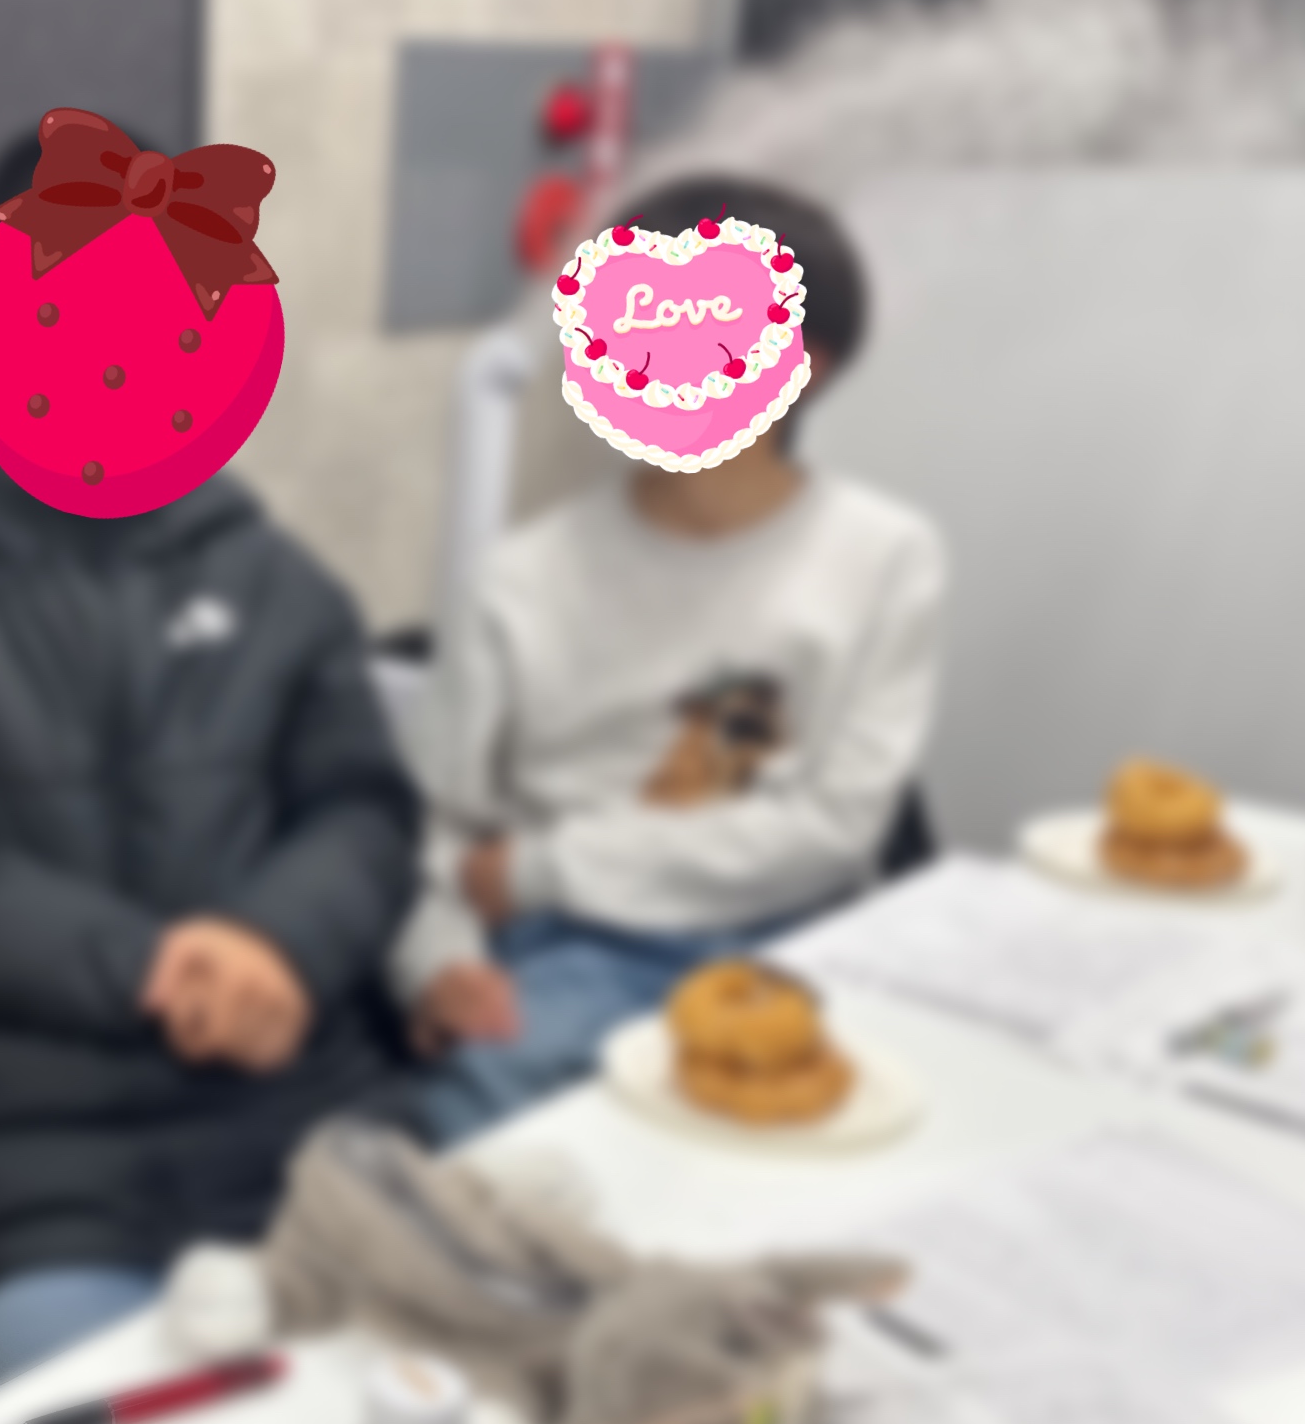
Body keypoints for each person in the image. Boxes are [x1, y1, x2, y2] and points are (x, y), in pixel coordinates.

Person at [0, 136, 419, 1402]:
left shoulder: (276, 581)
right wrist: (138, 962)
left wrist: (279, 940)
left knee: (451, 1410)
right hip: (14, 1173)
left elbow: (365, 811)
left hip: (301, 1126)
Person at [398, 175, 947, 1144]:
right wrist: (437, 963)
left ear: (805, 363)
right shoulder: (518, 580)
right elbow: (433, 825)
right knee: (488, 1134)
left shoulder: (888, 557)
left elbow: (836, 831)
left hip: (801, 931)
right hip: (575, 948)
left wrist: (540, 870)